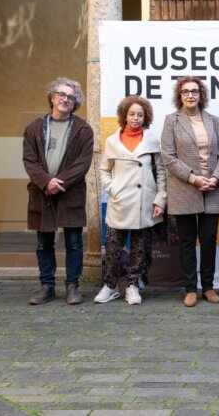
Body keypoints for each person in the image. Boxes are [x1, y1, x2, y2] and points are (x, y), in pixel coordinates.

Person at [22, 77, 93, 305]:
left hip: (70, 192)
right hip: (42, 193)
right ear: (52, 98)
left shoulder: (83, 129)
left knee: (74, 242)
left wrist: (59, 182)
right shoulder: (34, 128)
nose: (66, 99)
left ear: (75, 103)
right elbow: (30, 160)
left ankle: (72, 287)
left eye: (71, 97)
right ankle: (47, 287)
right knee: (44, 243)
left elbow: (83, 163)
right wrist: (46, 182)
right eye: (61, 95)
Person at [161, 76, 219, 308]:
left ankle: (208, 287)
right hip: (184, 188)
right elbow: (168, 157)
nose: (190, 95)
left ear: (201, 95)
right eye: (185, 91)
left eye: (194, 91)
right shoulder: (171, 121)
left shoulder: (213, 120)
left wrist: (216, 178)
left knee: (209, 239)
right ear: (179, 95)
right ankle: (190, 289)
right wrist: (193, 178)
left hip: (211, 188)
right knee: (187, 240)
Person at [95, 96, 166, 306]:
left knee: (140, 246)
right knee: (113, 245)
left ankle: (133, 285)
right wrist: (113, 188)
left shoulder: (152, 140)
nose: (136, 118)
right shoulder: (112, 141)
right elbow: (103, 170)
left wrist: (160, 199)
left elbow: (161, 172)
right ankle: (110, 286)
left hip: (145, 201)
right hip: (120, 201)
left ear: (146, 117)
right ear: (124, 116)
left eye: (140, 115)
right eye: (132, 114)